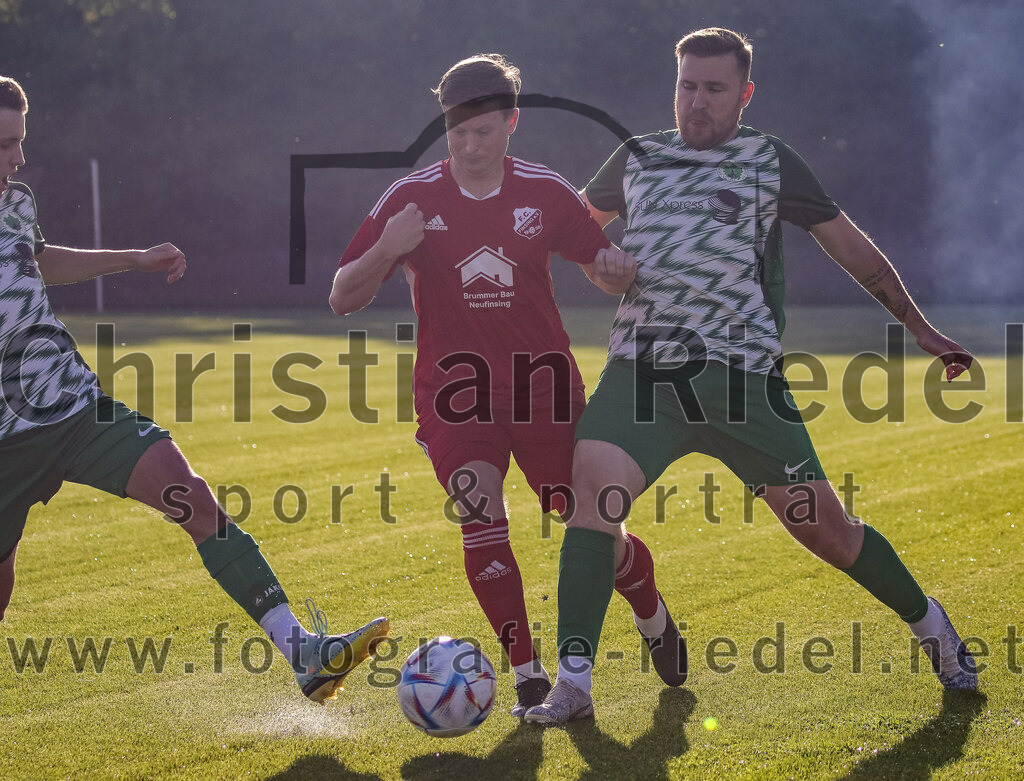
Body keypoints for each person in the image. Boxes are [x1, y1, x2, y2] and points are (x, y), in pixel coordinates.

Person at [525, 27, 978, 725]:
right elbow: (574, 234)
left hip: (743, 382)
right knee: (593, 497)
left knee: (829, 533)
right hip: (643, 374)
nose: (697, 101)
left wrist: (918, 327)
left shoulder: (772, 161)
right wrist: (599, 265)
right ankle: (574, 684)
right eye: (687, 86)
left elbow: (851, 248)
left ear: (745, 94)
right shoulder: (637, 156)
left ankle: (933, 628)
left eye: (714, 89)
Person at [0, 76, 389, 703]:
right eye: (3, 145)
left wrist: (132, 259)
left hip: (73, 405)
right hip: (5, 442)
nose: (17, 157)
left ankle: (304, 654)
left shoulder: (15, 200)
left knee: (192, 497)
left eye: (19, 141)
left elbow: (36, 260)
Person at [330, 54, 687, 719]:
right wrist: (388, 248)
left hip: (542, 387)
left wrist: (612, 269)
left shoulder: (545, 192)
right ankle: (528, 674)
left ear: (511, 123)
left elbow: (597, 264)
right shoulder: (409, 199)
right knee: (478, 507)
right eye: (456, 132)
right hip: (455, 394)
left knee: (591, 526)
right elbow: (342, 296)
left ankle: (651, 612)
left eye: (483, 132)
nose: (468, 146)